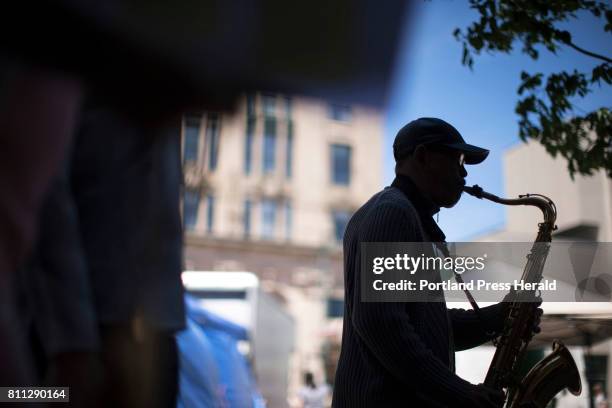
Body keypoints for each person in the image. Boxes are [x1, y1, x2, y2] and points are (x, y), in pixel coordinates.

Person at [332, 118, 539, 407]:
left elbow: (425, 327)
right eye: (458, 159)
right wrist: (460, 392)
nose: (464, 173)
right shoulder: (393, 212)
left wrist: (503, 317)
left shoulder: (403, 214)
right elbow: (380, 323)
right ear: (422, 156)